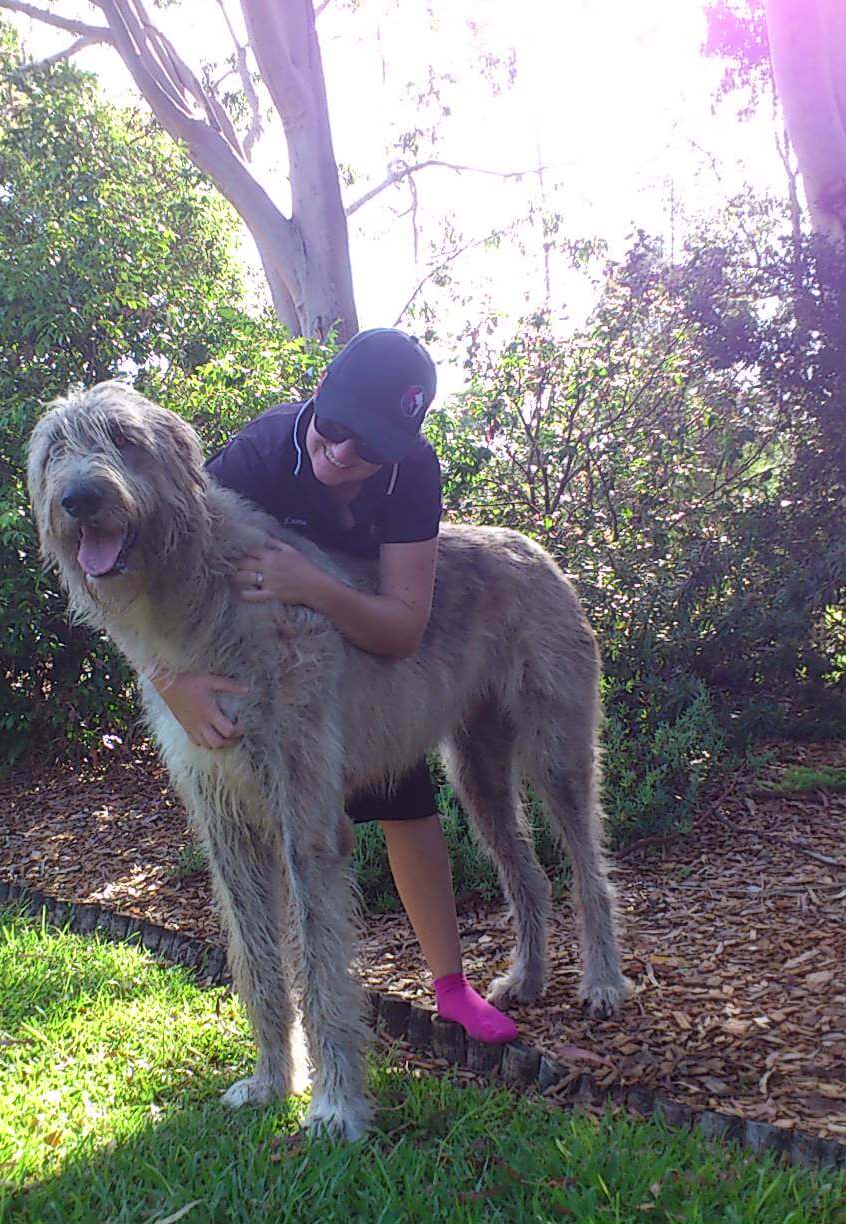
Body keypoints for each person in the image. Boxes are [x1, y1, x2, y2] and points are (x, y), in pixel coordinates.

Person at [152, 327, 517, 1046]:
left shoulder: (413, 474)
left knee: (405, 795)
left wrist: (313, 585)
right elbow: (157, 579)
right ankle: (277, 1023)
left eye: (372, 445)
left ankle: (451, 986)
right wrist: (171, 683)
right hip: (273, 670)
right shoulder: (257, 453)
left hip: (367, 650)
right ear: (318, 392)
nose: (346, 453)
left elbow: (403, 627)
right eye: (337, 428)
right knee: (278, 832)